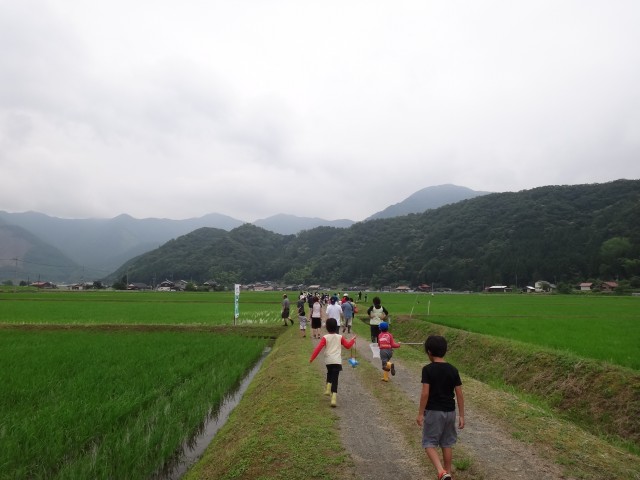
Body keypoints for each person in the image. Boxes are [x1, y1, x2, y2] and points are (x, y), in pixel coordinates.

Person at [416, 335, 465, 480]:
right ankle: (448, 472)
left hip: (434, 412)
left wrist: (420, 414)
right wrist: (461, 415)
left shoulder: (428, 370)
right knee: (447, 442)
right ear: (445, 351)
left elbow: (425, 393)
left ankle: (441, 471)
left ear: (429, 352)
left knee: (429, 443)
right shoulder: (453, 369)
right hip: (450, 412)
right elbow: (459, 394)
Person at [309, 317, 356, 407]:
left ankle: (327, 388)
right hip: (337, 361)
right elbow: (348, 346)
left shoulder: (325, 337)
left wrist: (312, 358)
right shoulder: (340, 337)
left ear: (326, 327)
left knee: (329, 373)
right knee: (335, 378)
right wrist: (353, 340)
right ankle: (333, 398)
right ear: (336, 327)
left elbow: (318, 349)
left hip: (328, 360)